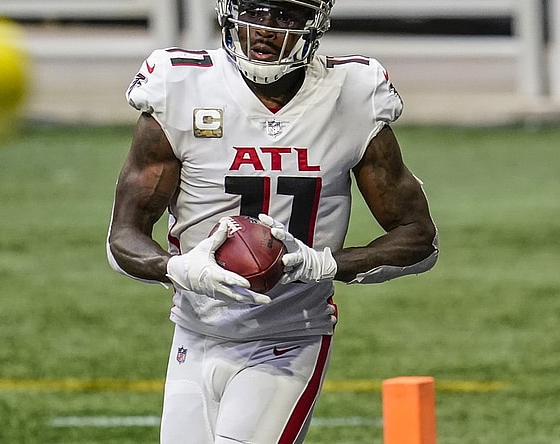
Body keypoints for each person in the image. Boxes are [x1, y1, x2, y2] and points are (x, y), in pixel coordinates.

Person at [107, 0, 439, 442]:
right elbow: (123, 237)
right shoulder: (181, 85)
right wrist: (178, 268)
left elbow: (419, 240)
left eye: (285, 15)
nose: (265, 28)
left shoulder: (351, 93)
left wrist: (326, 264)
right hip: (193, 333)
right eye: (256, 10)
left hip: (290, 337)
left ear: (314, 22)